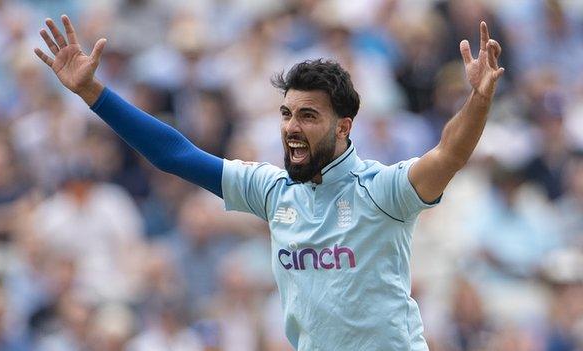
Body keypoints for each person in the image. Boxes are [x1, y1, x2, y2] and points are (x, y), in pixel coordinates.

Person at [34, 15, 504, 351]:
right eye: (286, 114)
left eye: (307, 116)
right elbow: (173, 154)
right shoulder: (272, 190)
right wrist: (94, 93)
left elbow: (449, 154)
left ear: (344, 126)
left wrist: (478, 101)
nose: (291, 128)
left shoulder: (382, 191)